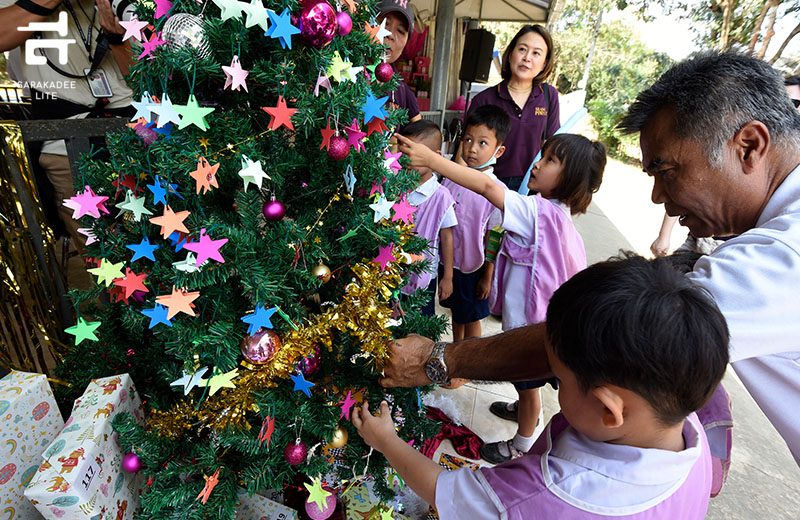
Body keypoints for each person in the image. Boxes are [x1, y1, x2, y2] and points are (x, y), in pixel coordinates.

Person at [380, 51, 800, 467]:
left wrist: (441, 358)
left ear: (749, 146)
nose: (657, 197)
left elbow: (621, 336)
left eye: (665, 170)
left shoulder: (783, 253)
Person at [354, 254, 729, 518]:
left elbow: (442, 488)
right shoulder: (687, 431)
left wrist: (385, 439)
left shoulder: (538, 497)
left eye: (558, 378)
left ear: (609, 409)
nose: (552, 383)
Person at [397, 131, 606, 463]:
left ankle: (521, 443)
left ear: (572, 178)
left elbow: (487, 187)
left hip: (533, 330)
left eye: (551, 160)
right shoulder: (558, 218)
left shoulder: (537, 213)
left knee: (529, 386)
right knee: (526, 386)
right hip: (543, 322)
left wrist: (435, 161)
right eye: (543, 155)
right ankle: (522, 407)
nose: (537, 164)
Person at [0, 0, 134, 251]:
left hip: (133, 140)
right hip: (65, 149)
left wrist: (116, 36)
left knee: (154, 246)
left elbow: (146, 75)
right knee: (101, 258)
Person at [433, 104, 507, 343]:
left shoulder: (497, 192)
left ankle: (469, 365)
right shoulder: (452, 180)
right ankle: (458, 356)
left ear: (499, 151)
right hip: (450, 264)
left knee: (472, 317)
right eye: (467, 139)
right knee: (457, 312)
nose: (472, 148)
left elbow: (494, 237)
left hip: (474, 268)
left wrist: (487, 275)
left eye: (483, 143)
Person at [463, 25, 560, 191]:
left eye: (536, 53)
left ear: (544, 63)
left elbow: (553, 147)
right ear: (510, 54)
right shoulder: (484, 99)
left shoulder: (548, 96)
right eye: (522, 49)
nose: (527, 58)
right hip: (487, 185)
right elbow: (464, 149)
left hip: (531, 188)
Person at [397, 120, 457, 316]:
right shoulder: (395, 189)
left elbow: (447, 238)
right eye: (405, 154)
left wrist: (447, 276)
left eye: (416, 155)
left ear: (435, 157)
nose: (409, 161)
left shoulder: (441, 197)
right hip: (393, 272)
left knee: (420, 325)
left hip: (424, 276)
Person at [377, 0, 421, 123]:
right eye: (385, 23)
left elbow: (423, 134)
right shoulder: (341, 75)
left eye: (400, 31)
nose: (390, 35)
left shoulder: (403, 92)